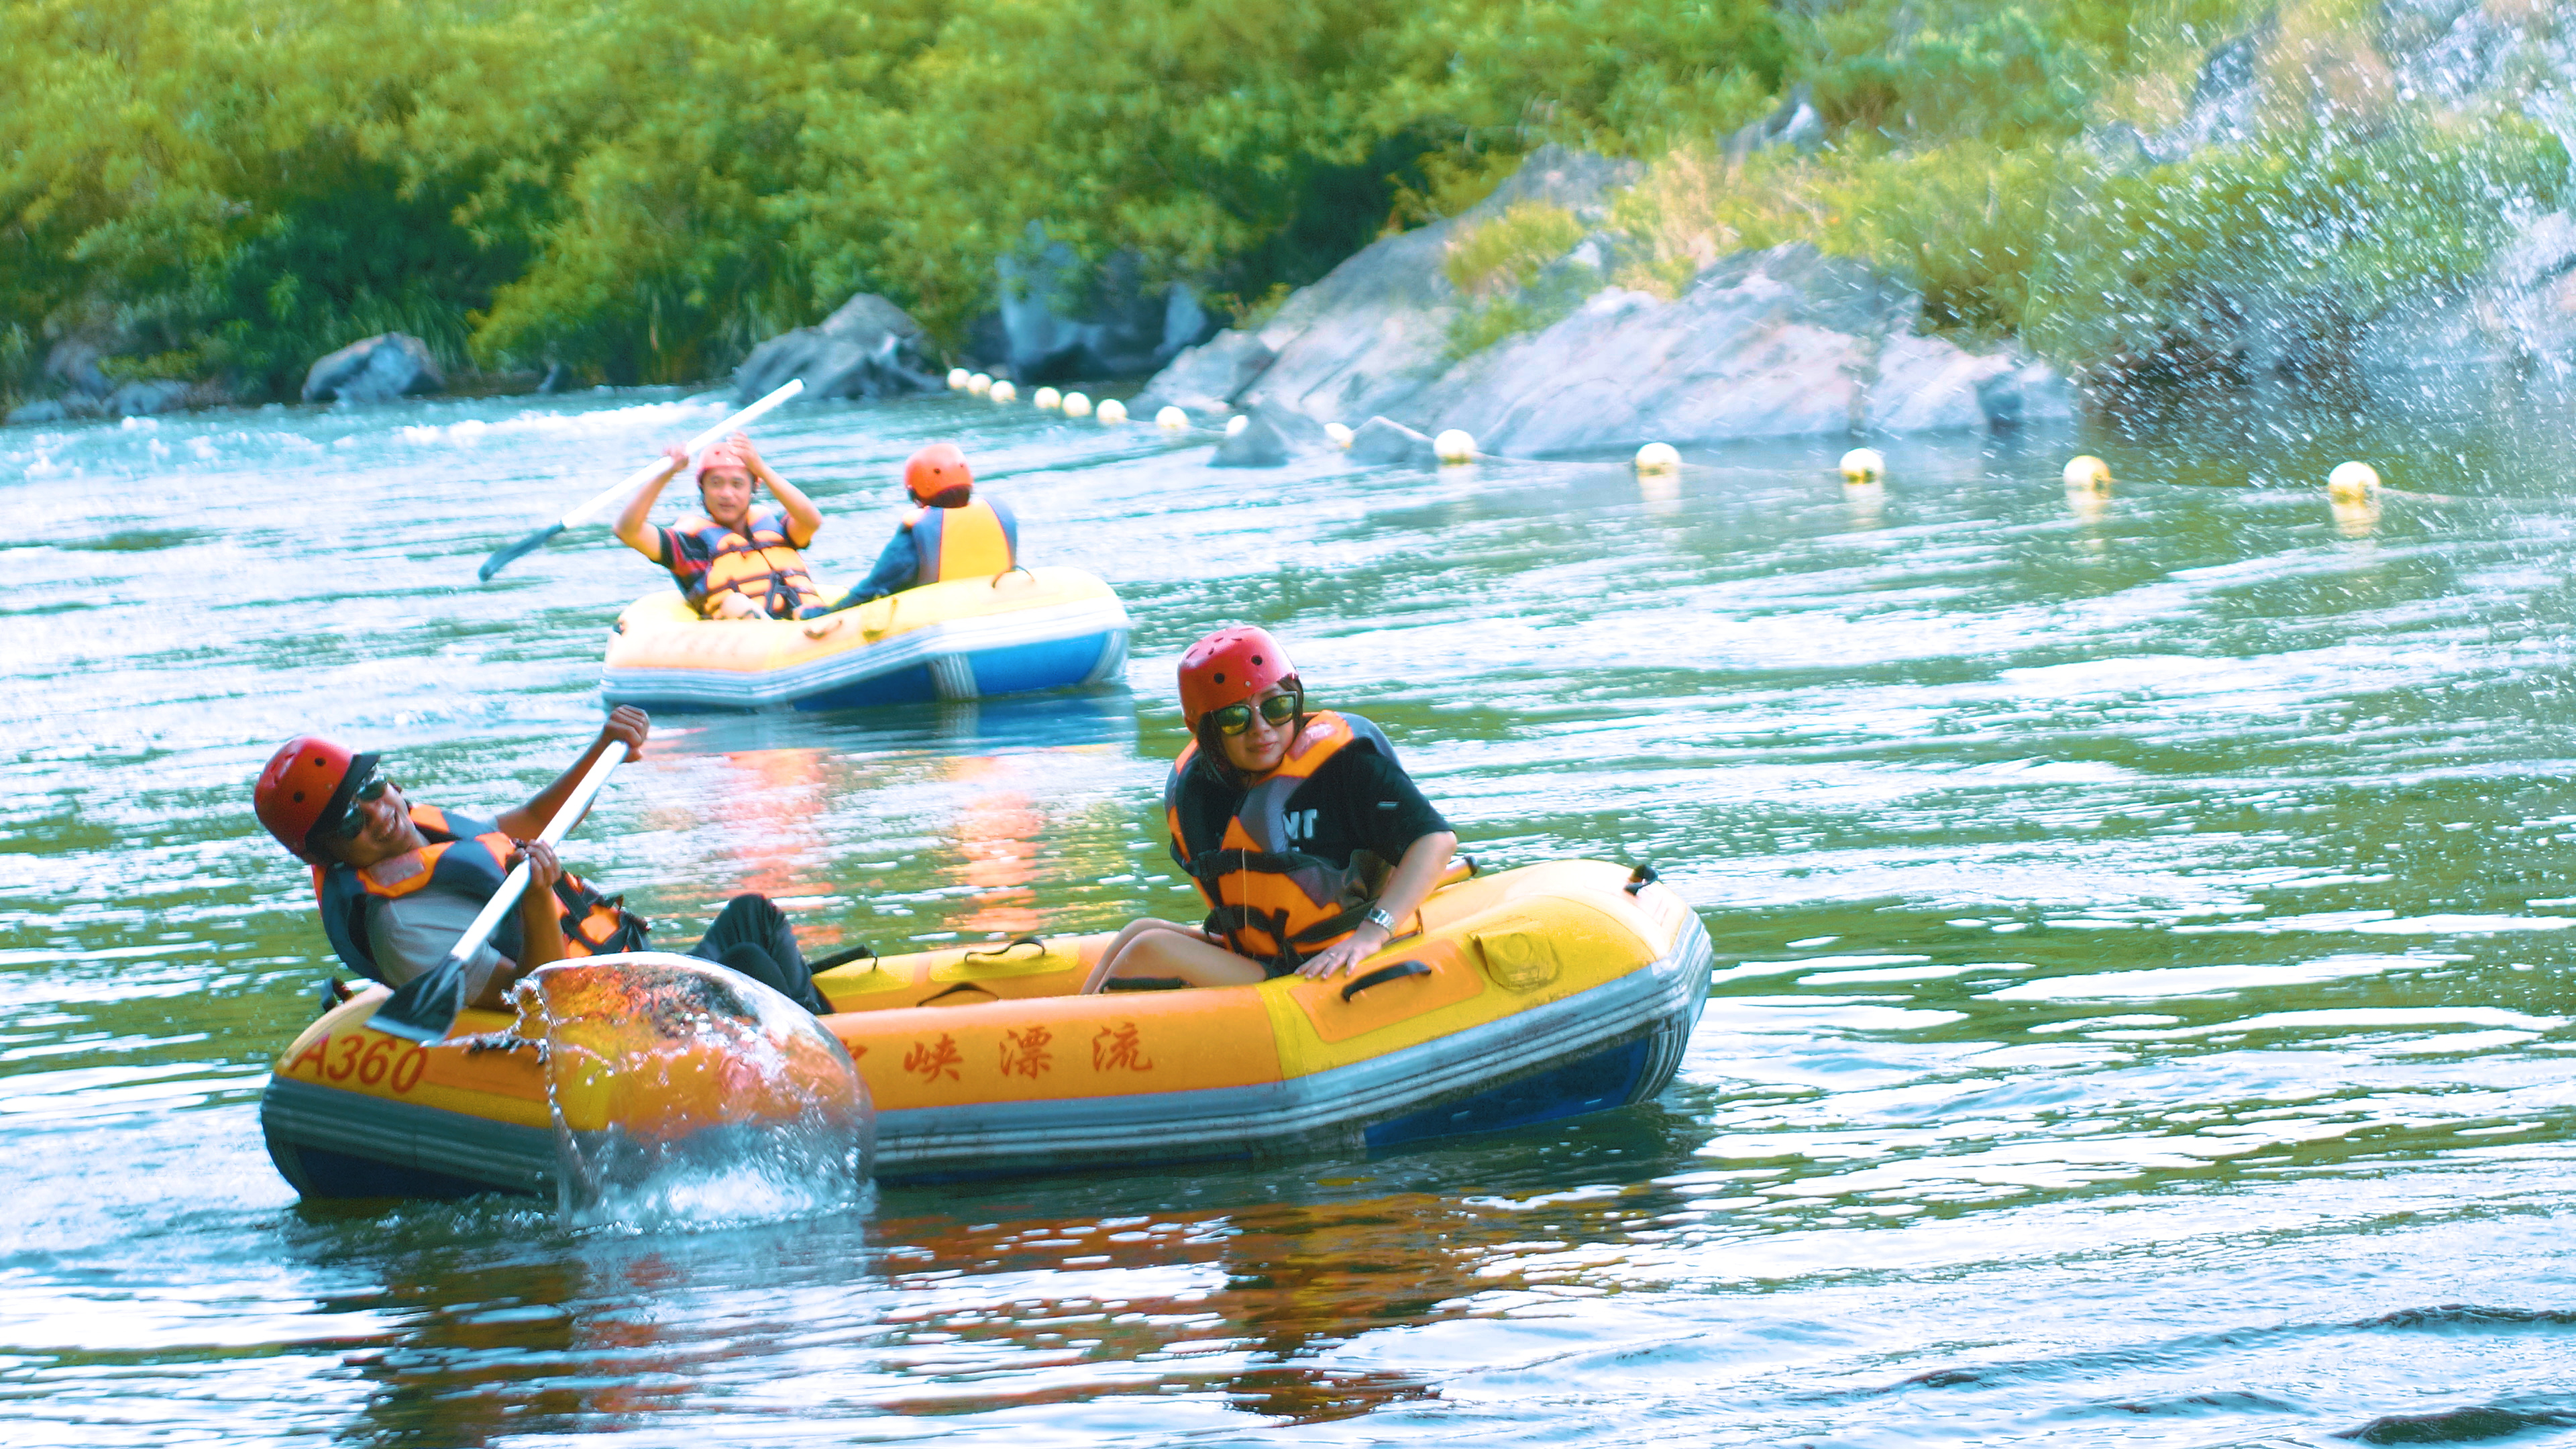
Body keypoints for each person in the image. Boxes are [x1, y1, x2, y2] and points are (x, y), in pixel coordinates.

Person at [252, 706, 831, 1014]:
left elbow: (528, 824)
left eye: (373, 788)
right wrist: (535, 900)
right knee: (750, 962)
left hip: (632, 975)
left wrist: (602, 751)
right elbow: (546, 1001)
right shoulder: (400, 924)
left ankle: (837, 1040)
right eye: (351, 821)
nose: (379, 814)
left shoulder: (420, 833)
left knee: (751, 916)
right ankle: (838, 1068)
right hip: (603, 1025)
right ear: (330, 854)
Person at [1082, 627, 1458, 991]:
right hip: (1268, 960)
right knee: (1138, 932)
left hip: (1321, 963)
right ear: (1206, 731)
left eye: (1276, 706)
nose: (1261, 728)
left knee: (1151, 950)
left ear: (1295, 699)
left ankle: (1078, 1042)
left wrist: (1372, 934)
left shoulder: (1347, 766)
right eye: (1235, 717)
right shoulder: (1204, 788)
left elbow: (1436, 841)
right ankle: (1065, 1030)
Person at [614, 430, 826, 620]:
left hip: (805, 622)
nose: (726, 494)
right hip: (755, 641)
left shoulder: (779, 529)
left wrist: (760, 468)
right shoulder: (689, 547)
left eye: (737, 484)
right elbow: (627, 530)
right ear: (703, 490)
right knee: (735, 603)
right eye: (716, 483)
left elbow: (812, 520)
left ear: (753, 488)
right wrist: (665, 474)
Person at [800, 443, 1017, 617]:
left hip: (945, 622)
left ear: (917, 494)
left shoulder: (918, 533)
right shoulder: (999, 514)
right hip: (1001, 612)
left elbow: (872, 589)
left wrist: (822, 614)